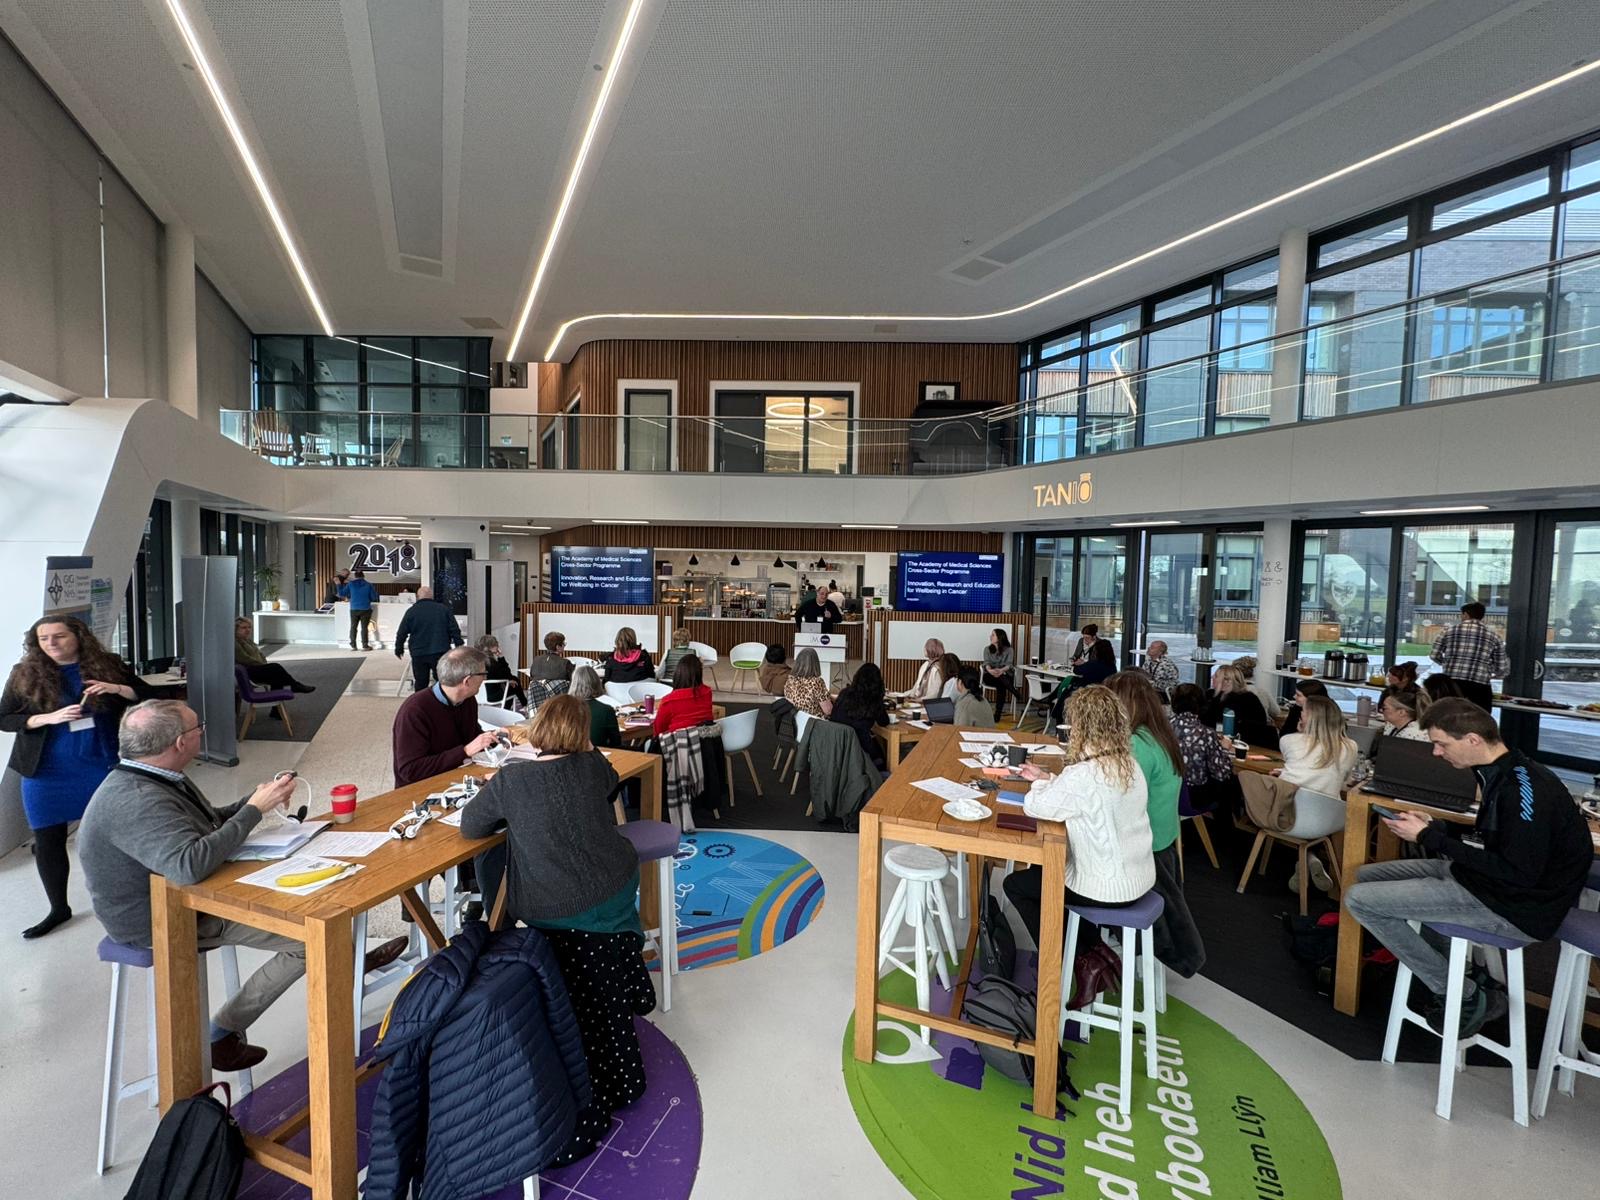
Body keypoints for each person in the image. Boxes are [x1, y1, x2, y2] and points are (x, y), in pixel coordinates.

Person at [77, 700, 407, 1070]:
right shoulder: (135, 800)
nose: (202, 730)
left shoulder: (154, 776)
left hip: (188, 894)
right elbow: (189, 864)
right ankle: (222, 1031)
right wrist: (252, 812)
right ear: (178, 743)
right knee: (306, 938)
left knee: (315, 890)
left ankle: (345, 960)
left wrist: (255, 801)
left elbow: (206, 824)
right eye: (196, 727)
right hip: (160, 917)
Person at [460, 696, 653, 1161]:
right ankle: (628, 992)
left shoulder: (513, 778)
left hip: (562, 907)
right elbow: (605, 787)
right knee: (599, 969)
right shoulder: (592, 765)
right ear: (581, 734)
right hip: (617, 882)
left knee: (497, 876)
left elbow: (471, 826)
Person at [1346, 699, 1595, 1039]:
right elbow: (1496, 839)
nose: (1436, 752)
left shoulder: (1523, 789)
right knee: (1366, 875)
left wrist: (1430, 838)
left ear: (1473, 740)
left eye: (1441, 744)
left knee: (1359, 900)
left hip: (1513, 905)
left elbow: (1518, 872)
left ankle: (1457, 990)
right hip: (1484, 882)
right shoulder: (1505, 772)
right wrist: (1438, 828)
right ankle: (1455, 971)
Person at [0, 616, 155, 938]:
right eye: (44, 639)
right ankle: (58, 908)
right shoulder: (23, 674)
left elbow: (145, 696)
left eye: (59, 636)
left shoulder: (107, 664)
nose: (52, 644)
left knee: (123, 834)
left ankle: (143, 900)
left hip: (101, 764)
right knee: (48, 840)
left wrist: (116, 688)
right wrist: (45, 718)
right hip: (46, 772)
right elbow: (4, 718)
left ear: (79, 637)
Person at [1003, 686, 1156, 957]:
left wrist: (1038, 785)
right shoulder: (1129, 764)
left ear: (1080, 728)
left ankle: (1078, 960)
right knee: (1048, 880)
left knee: (1018, 886)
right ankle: (1095, 952)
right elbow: (1088, 797)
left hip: (1104, 888)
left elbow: (1034, 806)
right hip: (1140, 879)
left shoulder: (1084, 774)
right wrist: (1047, 779)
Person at [1105, 671, 1205, 975]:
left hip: (1136, 859)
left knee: (1049, 875)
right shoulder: (1159, 737)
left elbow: (1113, 805)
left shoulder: (1135, 747)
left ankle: (1087, 954)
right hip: (1162, 850)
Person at [1274, 695, 1357, 894]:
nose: (1299, 714)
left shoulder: (1289, 741)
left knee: (1292, 805)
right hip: (1328, 818)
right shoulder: (1350, 747)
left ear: (1309, 717)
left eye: (1302, 711)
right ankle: (1310, 859)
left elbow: (1299, 766)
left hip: (1288, 816)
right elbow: (1341, 779)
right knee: (1312, 816)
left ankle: (1307, 860)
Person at [392, 646, 500, 786]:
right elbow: (410, 770)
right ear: (467, 681)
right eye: (483, 674)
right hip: (419, 791)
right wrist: (465, 751)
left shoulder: (467, 700)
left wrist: (494, 736)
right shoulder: (414, 711)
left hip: (458, 778)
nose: (485, 677)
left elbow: (472, 737)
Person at [1168, 683, 1240, 816]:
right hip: (1193, 796)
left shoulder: (1163, 727)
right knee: (1229, 785)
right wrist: (1224, 749)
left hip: (1166, 792)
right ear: (1201, 705)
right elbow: (1221, 772)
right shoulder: (1205, 733)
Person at [1430, 601, 1510, 711]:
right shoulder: (1494, 636)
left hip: (1451, 684)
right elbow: (1501, 668)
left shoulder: (1448, 631)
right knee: (1478, 720)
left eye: (1461, 615)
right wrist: (1487, 670)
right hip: (1479, 686)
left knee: (1449, 717)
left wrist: (1448, 663)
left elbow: (1434, 655)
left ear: (1466, 615)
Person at [393, 586, 465, 692]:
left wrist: (398, 648)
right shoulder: (443, 609)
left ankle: (421, 704)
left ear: (418, 597)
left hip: (419, 652)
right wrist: (459, 645)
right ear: (432, 596)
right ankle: (442, 703)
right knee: (442, 680)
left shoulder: (411, 611)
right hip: (441, 650)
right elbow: (454, 629)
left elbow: (402, 632)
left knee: (421, 682)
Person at [1203, 663, 1279, 749]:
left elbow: (1254, 730)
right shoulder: (1212, 696)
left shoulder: (1247, 700)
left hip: (1245, 745)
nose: (1212, 677)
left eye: (1216, 676)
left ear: (1227, 681)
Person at [831, 661, 889, 771]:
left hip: (837, 747)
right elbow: (884, 722)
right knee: (880, 753)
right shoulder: (873, 698)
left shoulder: (845, 693)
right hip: (860, 749)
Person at [234, 618, 315, 694]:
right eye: (243, 628)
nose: (247, 630)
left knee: (277, 677)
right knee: (275, 667)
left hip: (257, 667)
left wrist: (264, 664)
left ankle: (276, 707)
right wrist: (262, 665)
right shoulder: (235, 643)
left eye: (249, 627)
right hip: (249, 672)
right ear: (236, 629)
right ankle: (295, 685)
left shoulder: (248, 640)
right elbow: (245, 659)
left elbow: (260, 654)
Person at [653, 655, 714, 735]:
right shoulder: (707, 692)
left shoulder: (669, 701)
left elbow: (659, 730)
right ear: (699, 673)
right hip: (705, 743)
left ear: (678, 673)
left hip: (678, 744)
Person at [570, 664, 620, 750]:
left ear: (573, 684)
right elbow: (616, 743)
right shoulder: (606, 710)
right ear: (597, 682)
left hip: (569, 758)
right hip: (600, 756)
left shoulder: (563, 710)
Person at [476, 634, 527, 709]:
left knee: (513, 681)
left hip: (478, 694)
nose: (498, 646)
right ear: (491, 647)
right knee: (515, 683)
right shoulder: (492, 663)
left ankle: (518, 705)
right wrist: (501, 657)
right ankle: (524, 704)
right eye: (497, 644)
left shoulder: (477, 661)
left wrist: (509, 681)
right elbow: (507, 675)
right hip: (492, 696)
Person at [1232, 656, 1284, 725]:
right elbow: (1276, 712)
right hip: (1261, 731)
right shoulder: (1262, 692)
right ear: (1253, 673)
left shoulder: (1231, 693)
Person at [336, 568, 379, 650]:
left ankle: (353, 645)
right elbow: (374, 597)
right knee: (364, 628)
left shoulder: (351, 584)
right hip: (365, 609)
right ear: (363, 576)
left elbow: (341, 593)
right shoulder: (369, 585)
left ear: (355, 576)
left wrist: (338, 584)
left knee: (353, 627)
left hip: (354, 609)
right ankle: (365, 645)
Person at [981, 628, 1018, 722]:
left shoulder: (1009, 650)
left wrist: (1001, 670)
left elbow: (1009, 664)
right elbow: (986, 662)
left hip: (1004, 674)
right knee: (1002, 682)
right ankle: (1013, 690)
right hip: (990, 675)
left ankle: (997, 714)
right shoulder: (987, 649)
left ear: (999, 637)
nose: (990, 637)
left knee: (1001, 682)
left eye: (993, 635)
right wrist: (990, 671)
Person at [784, 648, 834, 716]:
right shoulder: (816, 682)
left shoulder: (790, 680)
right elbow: (828, 711)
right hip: (815, 723)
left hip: (797, 721)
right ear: (815, 663)